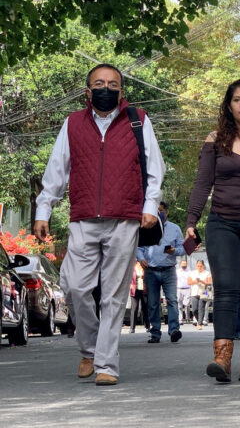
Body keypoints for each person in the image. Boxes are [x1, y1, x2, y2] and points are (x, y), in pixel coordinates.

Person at [33, 63, 164, 385]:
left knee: (113, 295)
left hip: (124, 218)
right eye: (100, 84)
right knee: (75, 287)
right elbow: (57, 169)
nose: (107, 88)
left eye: (113, 84)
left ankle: (106, 364)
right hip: (84, 217)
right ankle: (89, 349)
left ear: (121, 91)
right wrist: (43, 210)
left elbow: (154, 167)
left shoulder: (138, 120)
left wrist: (150, 206)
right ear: (88, 91)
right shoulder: (73, 123)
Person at [187, 78, 240, 383]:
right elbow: (203, 183)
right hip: (221, 223)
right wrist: (191, 221)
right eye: (236, 99)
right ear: (228, 105)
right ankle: (222, 358)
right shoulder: (215, 139)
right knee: (225, 289)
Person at [137, 201, 185, 344]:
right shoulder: (146, 227)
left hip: (169, 270)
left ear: (167, 213)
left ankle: (174, 330)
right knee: (153, 303)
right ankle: (155, 333)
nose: (159, 213)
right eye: (156, 211)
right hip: (151, 271)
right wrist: (141, 258)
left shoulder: (175, 229)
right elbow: (138, 247)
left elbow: (183, 248)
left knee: (172, 300)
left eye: (161, 211)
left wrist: (174, 251)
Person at [189, 260, 212, 330]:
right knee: (194, 309)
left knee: (201, 308)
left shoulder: (207, 273)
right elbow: (189, 282)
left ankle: (199, 323)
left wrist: (201, 281)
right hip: (194, 292)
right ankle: (198, 320)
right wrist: (195, 281)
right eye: (198, 266)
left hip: (204, 292)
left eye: (201, 266)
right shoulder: (192, 273)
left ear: (203, 266)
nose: (199, 267)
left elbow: (209, 283)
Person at [129, 261, 150, 333]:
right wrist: (129, 284)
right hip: (134, 290)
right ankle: (132, 328)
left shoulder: (145, 267)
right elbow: (128, 277)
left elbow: (149, 277)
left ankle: (147, 326)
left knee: (145, 308)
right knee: (134, 308)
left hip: (144, 289)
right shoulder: (132, 267)